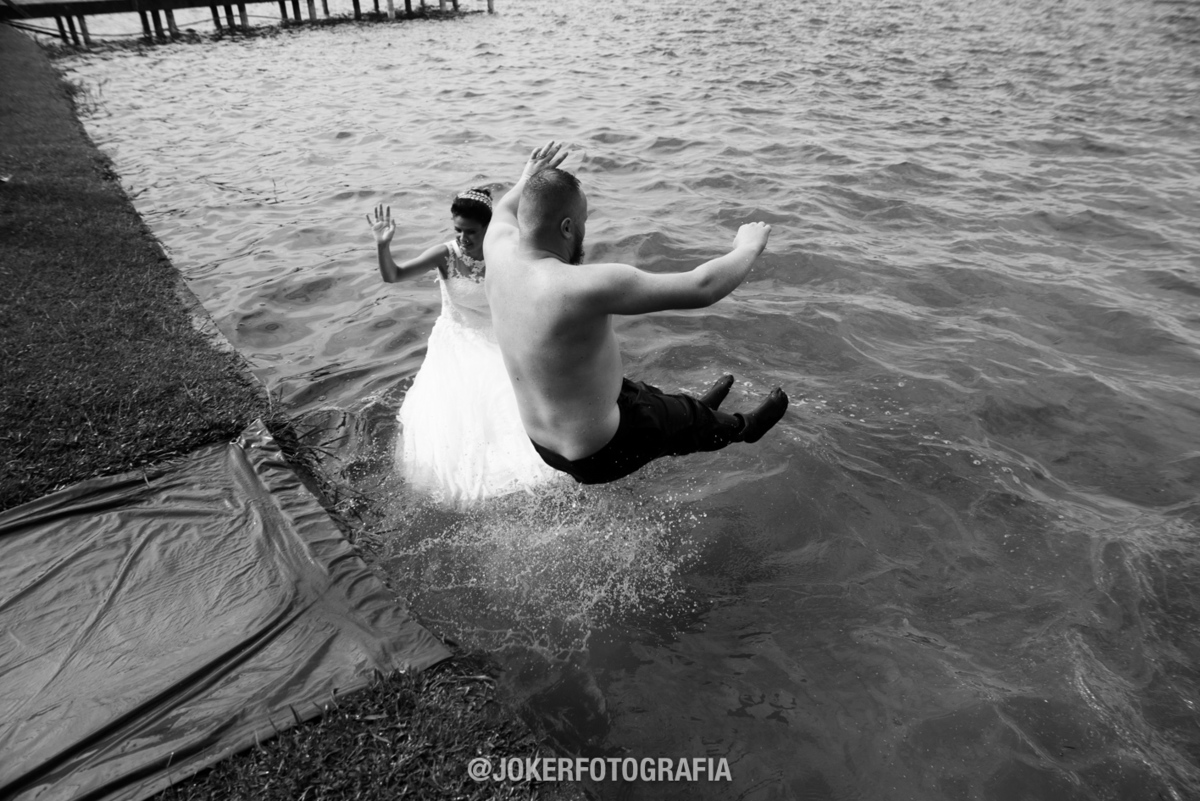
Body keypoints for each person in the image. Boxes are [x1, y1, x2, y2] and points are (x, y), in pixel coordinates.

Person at [483, 141, 789, 485]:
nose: (584, 230)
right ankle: (742, 427)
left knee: (636, 392)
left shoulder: (497, 250)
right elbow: (702, 287)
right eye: (583, 222)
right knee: (674, 417)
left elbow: (504, 210)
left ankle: (689, 415)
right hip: (602, 452)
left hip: (545, 445)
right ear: (567, 228)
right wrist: (749, 246)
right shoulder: (582, 286)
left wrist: (527, 176)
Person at [368, 187, 558, 506]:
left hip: (498, 342)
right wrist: (382, 246)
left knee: (516, 418)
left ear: (488, 228)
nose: (463, 238)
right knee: (461, 429)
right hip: (456, 344)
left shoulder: (505, 254)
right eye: (458, 230)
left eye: (471, 231)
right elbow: (393, 275)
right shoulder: (446, 255)